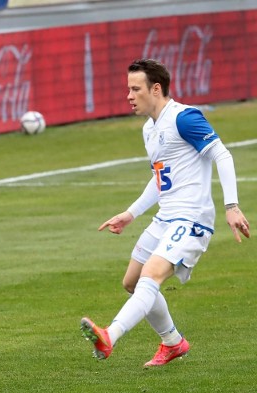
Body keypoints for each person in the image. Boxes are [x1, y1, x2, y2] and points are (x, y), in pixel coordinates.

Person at [80, 59, 249, 367]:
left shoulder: (184, 118)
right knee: (132, 282)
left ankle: (109, 337)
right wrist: (131, 213)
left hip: (192, 219)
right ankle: (172, 342)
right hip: (165, 218)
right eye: (128, 89)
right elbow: (161, 178)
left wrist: (231, 205)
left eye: (135, 89)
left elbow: (222, 155)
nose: (129, 96)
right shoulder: (150, 129)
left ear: (155, 89)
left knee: (150, 276)